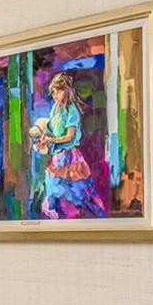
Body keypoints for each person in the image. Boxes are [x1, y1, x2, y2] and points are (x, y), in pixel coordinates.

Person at [28, 72, 105, 218]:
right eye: (52, 93)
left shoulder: (72, 111)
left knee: (76, 194)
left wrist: (51, 141)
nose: (54, 96)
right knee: (52, 191)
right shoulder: (55, 109)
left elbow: (69, 136)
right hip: (56, 157)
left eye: (57, 92)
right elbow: (50, 130)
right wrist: (43, 140)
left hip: (69, 156)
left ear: (66, 90)